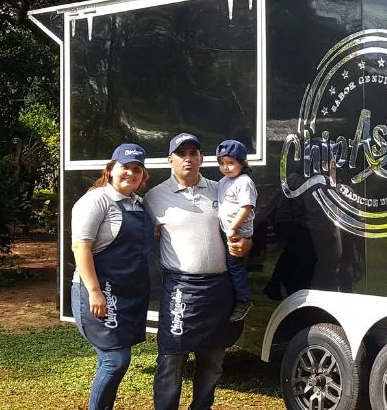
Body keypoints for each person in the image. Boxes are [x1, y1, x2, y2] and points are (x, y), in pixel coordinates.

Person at [144, 133, 251, 410]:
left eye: (193, 153)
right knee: (171, 359)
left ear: (202, 158)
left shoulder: (221, 189)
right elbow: (142, 240)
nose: (188, 159)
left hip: (219, 288)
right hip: (180, 288)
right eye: (181, 154)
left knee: (213, 360)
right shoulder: (154, 197)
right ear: (170, 160)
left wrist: (246, 244)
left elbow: (244, 229)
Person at [70, 143, 154, 410]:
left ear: (143, 175)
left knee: (111, 359)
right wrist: (95, 292)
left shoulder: (138, 204)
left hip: (127, 293)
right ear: (110, 170)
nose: (131, 173)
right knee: (115, 360)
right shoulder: (96, 200)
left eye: (137, 169)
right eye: (125, 167)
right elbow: (80, 247)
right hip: (99, 292)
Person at [215, 139, 257, 321]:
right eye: (222, 163)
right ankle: (230, 299)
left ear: (242, 163)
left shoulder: (244, 182)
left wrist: (233, 229)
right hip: (227, 230)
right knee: (226, 266)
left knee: (235, 266)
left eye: (231, 163)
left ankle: (244, 299)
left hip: (238, 232)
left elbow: (246, 208)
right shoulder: (224, 181)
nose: (226, 167)